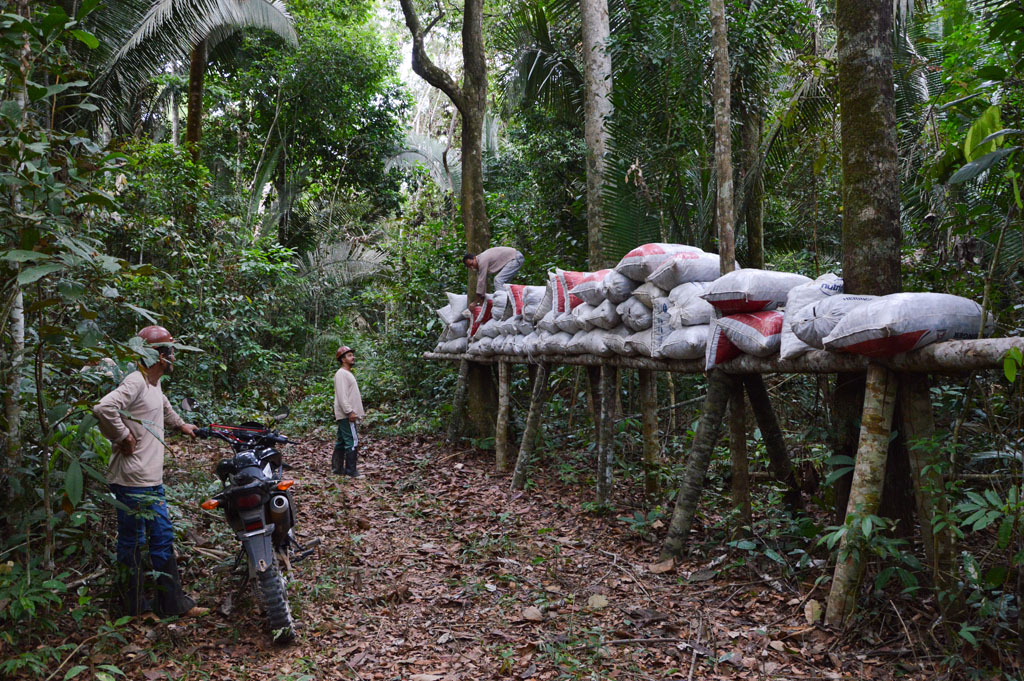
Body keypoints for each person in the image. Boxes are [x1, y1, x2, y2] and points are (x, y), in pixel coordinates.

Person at [93, 325, 207, 619]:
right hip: (134, 480)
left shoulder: (153, 384)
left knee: (139, 540)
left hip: (145, 478)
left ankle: (141, 606)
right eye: (169, 352)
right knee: (156, 538)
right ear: (157, 355)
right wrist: (122, 437)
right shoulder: (136, 382)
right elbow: (104, 408)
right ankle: (165, 605)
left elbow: (165, 409)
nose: (173, 357)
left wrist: (183, 425)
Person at [332, 345, 365, 477]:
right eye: (349, 355)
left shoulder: (346, 373)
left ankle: (338, 469)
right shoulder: (341, 374)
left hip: (346, 413)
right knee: (352, 440)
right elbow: (342, 395)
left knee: (341, 440)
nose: (353, 357)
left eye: (352, 355)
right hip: (347, 414)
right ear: (343, 359)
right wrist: (350, 411)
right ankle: (351, 471)